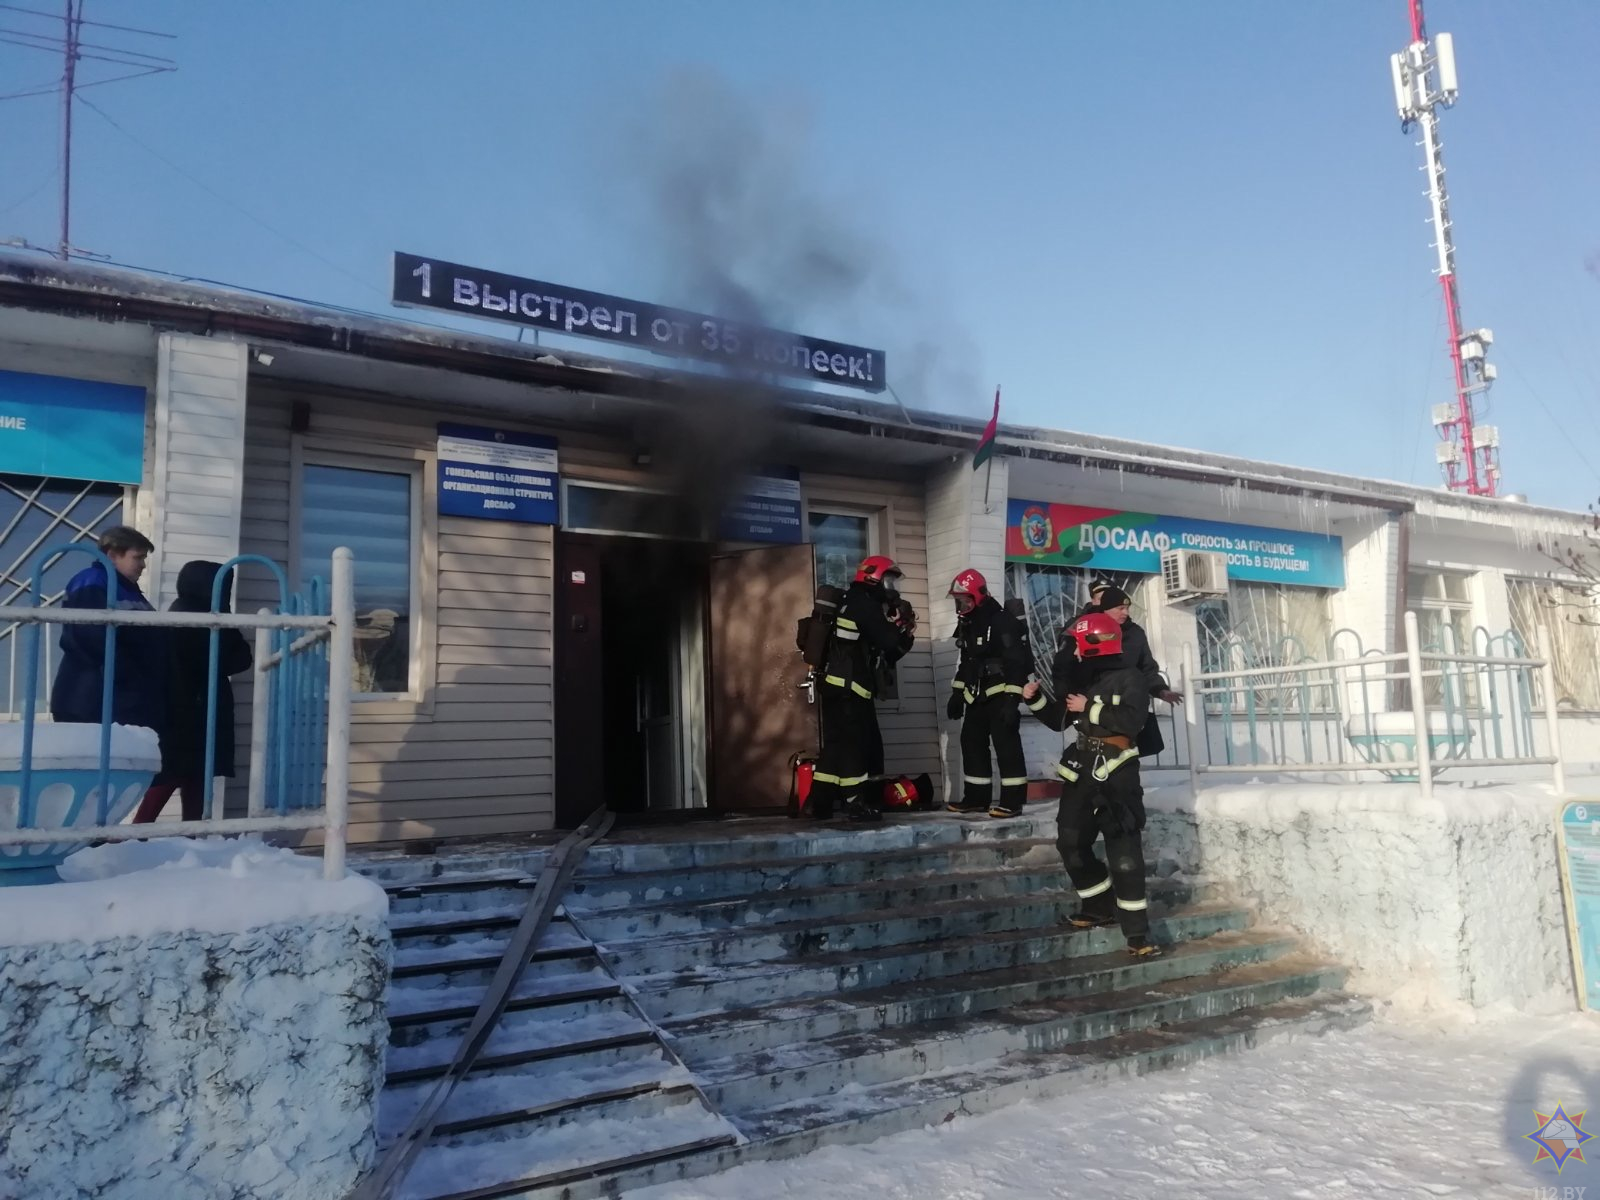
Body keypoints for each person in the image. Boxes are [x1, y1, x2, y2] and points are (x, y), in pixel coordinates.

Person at [1023, 610, 1162, 958]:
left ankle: (1138, 935)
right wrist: (1034, 699)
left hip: (1118, 772)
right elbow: (1059, 720)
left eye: (1078, 644)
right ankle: (1098, 907)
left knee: (1125, 855)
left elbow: (1132, 721)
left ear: (1093, 644)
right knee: (1070, 842)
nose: (1074, 652)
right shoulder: (1084, 678)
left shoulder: (1132, 678)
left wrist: (1091, 708)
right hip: (1082, 770)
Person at [133, 561, 254, 824]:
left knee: (193, 772)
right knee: (179, 770)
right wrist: (227, 622)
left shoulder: (186, 613)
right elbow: (236, 659)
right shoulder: (200, 619)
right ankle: (138, 836)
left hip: (185, 706)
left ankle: (186, 834)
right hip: (193, 707)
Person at [806, 554, 915, 823]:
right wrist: (903, 625)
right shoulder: (863, 606)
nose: (891, 588)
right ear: (873, 578)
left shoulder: (849, 601)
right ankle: (855, 802)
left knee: (835, 746)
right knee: (855, 745)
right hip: (849, 689)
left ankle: (817, 803)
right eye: (887, 580)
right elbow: (889, 642)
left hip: (835, 687)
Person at [49, 526, 167, 731]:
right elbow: (90, 636)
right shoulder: (92, 582)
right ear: (112, 555)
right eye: (137, 557)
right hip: (93, 698)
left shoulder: (126, 589)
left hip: (117, 698)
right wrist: (131, 676)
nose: (143, 565)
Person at [944, 568, 1031, 817]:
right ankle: (976, 799)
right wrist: (957, 693)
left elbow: (1016, 662)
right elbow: (967, 661)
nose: (961, 605)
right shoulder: (969, 623)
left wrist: (1012, 701)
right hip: (977, 695)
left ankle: (1012, 803)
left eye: (965, 599)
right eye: (958, 601)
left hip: (1002, 694)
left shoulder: (1001, 621)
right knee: (970, 741)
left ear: (979, 595)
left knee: (1007, 747)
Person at [1082, 582, 1182, 756]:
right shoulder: (1086, 628)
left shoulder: (1135, 633)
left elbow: (1147, 668)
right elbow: (1071, 668)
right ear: (1106, 608)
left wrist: (1161, 690)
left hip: (1127, 707)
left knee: (1126, 764)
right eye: (1120, 608)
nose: (1126, 613)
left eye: (1127, 608)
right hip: (1094, 705)